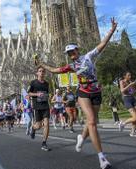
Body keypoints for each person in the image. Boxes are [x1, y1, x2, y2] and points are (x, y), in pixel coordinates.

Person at [35, 18, 117, 169]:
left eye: (72, 51)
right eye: (68, 53)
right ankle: (102, 158)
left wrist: (111, 30)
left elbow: (102, 44)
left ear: (77, 50)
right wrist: (42, 65)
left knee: (92, 122)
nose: (71, 54)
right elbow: (54, 70)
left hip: (96, 91)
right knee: (91, 121)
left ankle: (81, 137)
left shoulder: (89, 56)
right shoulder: (71, 66)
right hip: (83, 92)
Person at [28, 66, 51, 151]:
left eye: (43, 71)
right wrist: (37, 94)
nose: (41, 72)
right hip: (37, 106)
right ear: (37, 73)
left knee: (47, 123)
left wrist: (48, 95)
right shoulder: (33, 83)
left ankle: (44, 143)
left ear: (44, 73)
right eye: (40, 71)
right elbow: (29, 93)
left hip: (45, 106)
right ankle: (33, 128)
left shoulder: (46, 83)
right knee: (38, 126)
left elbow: (48, 94)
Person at [118, 72, 136, 137]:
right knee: (135, 117)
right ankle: (123, 123)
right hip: (126, 99)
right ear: (124, 76)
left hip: (133, 99)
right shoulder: (122, 81)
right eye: (128, 75)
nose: (130, 76)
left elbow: (131, 92)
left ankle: (132, 133)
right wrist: (130, 84)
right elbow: (122, 91)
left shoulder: (130, 82)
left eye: (130, 75)